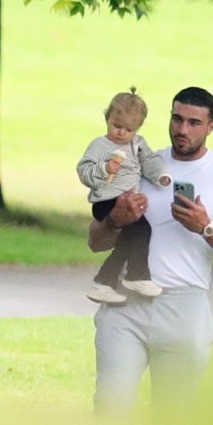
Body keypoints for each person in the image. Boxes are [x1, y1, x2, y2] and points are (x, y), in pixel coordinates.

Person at [87, 86, 213, 414]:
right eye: (177, 119)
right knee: (111, 407)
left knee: (172, 420)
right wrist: (115, 219)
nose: (182, 130)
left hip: (184, 307)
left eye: (194, 123)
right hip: (126, 304)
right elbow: (95, 242)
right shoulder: (138, 165)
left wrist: (207, 227)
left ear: (211, 126)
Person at [77, 88, 172, 305]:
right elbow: (83, 171)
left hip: (130, 201)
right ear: (107, 119)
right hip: (106, 200)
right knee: (141, 230)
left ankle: (105, 282)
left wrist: (161, 175)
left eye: (128, 129)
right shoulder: (100, 145)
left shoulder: (137, 144)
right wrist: (104, 169)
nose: (121, 133)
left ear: (137, 129)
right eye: (116, 126)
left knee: (129, 239)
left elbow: (149, 159)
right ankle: (135, 275)